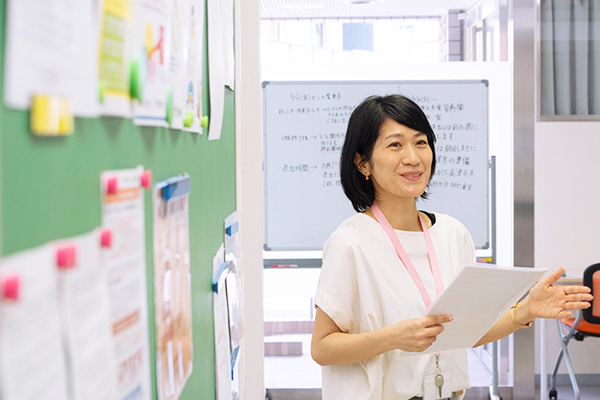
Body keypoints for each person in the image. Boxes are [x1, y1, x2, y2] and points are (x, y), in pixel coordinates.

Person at [310, 94, 593, 400]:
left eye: (421, 142)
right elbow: (322, 348)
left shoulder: (453, 233)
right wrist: (392, 338)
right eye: (395, 145)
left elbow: (464, 333)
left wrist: (524, 311)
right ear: (363, 162)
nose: (413, 157)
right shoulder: (350, 242)